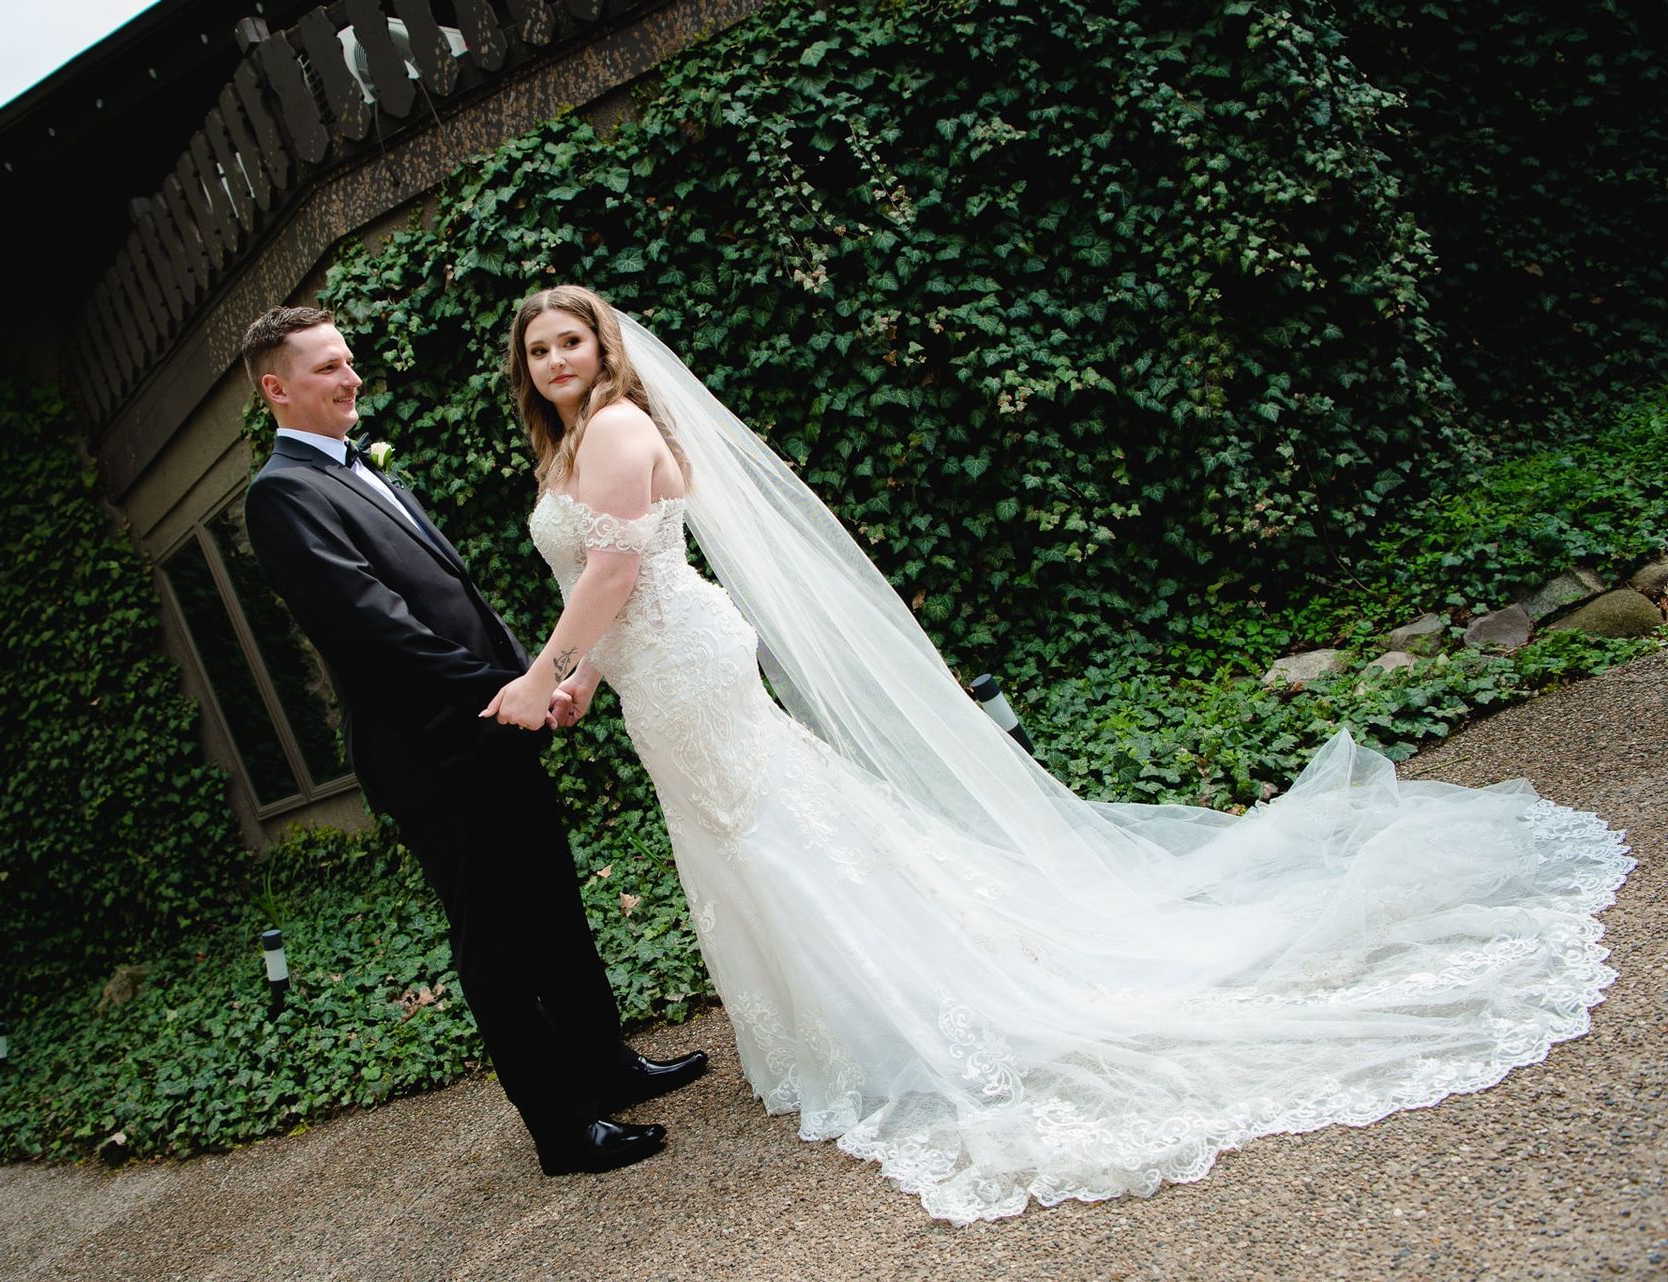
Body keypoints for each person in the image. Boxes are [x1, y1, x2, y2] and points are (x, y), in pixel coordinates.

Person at [482, 285, 1635, 1223]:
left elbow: (619, 570)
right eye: (536, 350)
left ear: (604, 344)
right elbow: (608, 582)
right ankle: (847, 1010)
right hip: (659, 682)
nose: (553, 360)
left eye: (568, 339)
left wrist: (546, 674)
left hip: (690, 671)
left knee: (776, 828)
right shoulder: (579, 439)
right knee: (763, 827)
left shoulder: (622, 424)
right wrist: (582, 674)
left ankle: (903, 1009)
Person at [237, 305, 708, 1177]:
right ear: (277, 389)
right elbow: (376, 629)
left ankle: (607, 1067)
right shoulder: (283, 496)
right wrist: (507, 692)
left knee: (557, 916)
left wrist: (545, 676)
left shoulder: (358, 466)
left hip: (497, 727)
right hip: (433, 756)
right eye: (327, 369)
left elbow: (456, 599)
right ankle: (565, 1131)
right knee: (495, 947)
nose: (351, 378)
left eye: (348, 361)